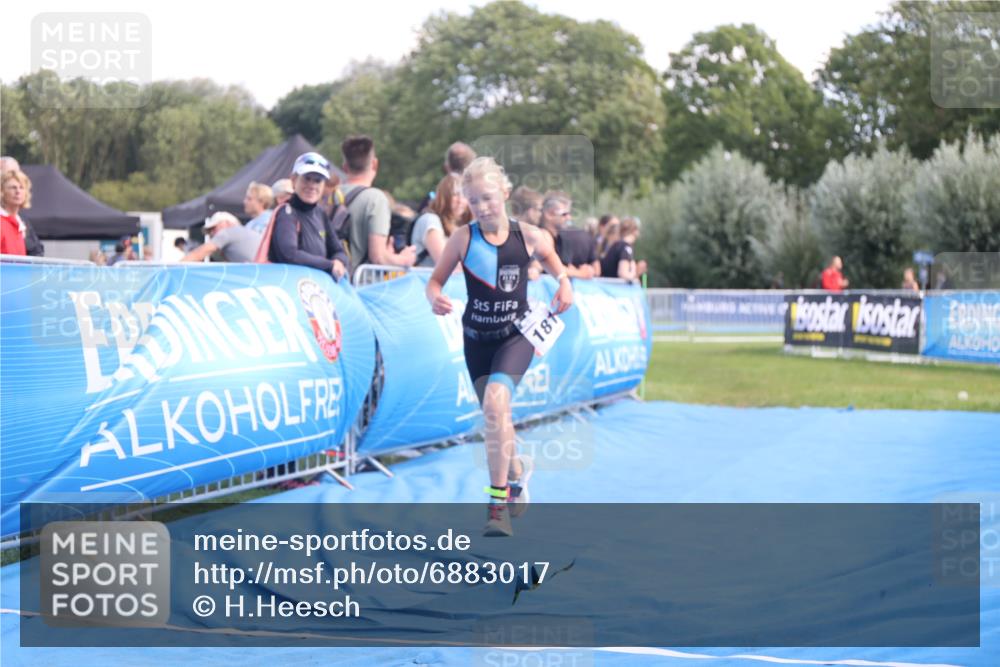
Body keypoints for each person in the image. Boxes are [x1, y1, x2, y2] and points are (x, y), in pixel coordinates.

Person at [426, 157, 573, 537]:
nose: (482, 207)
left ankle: (496, 505)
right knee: (496, 418)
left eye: (488, 198)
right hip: (476, 340)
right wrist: (434, 296)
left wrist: (564, 283)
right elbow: (435, 282)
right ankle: (517, 472)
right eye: (474, 201)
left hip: (516, 336)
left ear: (505, 194)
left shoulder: (529, 236)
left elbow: (555, 263)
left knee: (495, 404)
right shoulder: (462, 238)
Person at [268, 151, 350, 280]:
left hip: (314, 289)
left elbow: (339, 251)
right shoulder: (287, 213)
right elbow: (290, 255)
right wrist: (329, 265)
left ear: (324, 186)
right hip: (291, 287)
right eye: (307, 178)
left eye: (318, 181)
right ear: (294, 180)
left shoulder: (320, 214)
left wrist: (338, 261)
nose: (312, 186)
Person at [339, 136, 415, 268]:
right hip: (358, 284)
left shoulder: (329, 194)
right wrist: (404, 259)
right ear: (375, 164)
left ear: (345, 167)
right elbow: (378, 257)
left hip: (328, 281)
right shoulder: (375, 199)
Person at [410, 174, 470, 267]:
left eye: (464, 195)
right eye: (455, 194)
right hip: (425, 280)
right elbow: (447, 264)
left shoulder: (458, 227)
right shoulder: (429, 220)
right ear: (444, 197)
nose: (460, 200)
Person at [540, 192, 599, 278]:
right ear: (549, 214)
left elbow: (564, 266)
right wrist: (581, 274)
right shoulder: (544, 236)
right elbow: (551, 267)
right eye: (564, 214)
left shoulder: (560, 237)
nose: (569, 218)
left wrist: (583, 270)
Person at [182, 212, 260, 263]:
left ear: (227, 223)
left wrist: (173, 268)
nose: (211, 233)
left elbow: (198, 254)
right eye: (209, 231)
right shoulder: (249, 232)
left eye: (214, 228)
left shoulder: (228, 232)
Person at [1, 170, 43, 256]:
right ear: (2, 192)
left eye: (21, 187)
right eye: (13, 187)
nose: (18, 192)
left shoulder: (22, 223)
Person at [600, 216, 640, 280]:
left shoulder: (616, 245)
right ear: (634, 231)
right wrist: (634, 272)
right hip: (615, 288)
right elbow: (623, 274)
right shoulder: (625, 248)